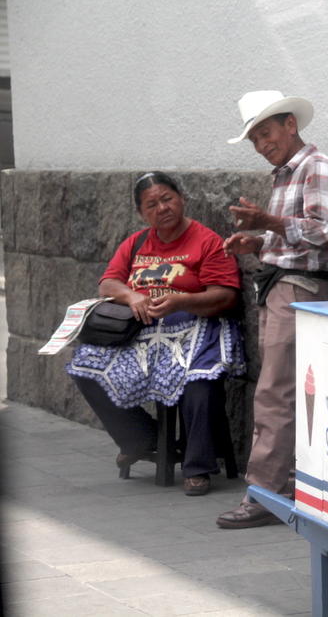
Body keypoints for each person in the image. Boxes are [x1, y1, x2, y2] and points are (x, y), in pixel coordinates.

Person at [67, 171, 245, 497]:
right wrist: (133, 296)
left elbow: (226, 296)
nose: (162, 208)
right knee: (86, 365)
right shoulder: (136, 242)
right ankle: (140, 438)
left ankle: (198, 466)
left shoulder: (207, 242)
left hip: (195, 327)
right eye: (152, 204)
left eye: (167, 199)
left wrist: (182, 300)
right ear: (142, 213)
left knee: (200, 379)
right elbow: (108, 283)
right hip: (142, 332)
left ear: (182, 199)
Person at [217, 90, 328, 529]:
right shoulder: (285, 174)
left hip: (296, 289)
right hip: (279, 286)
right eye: (254, 138)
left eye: (266, 133)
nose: (261, 144)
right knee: (285, 390)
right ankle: (287, 483)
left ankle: (265, 493)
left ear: (291, 124)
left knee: (275, 392)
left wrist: (266, 225)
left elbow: (323, 233)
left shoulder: (317, 167)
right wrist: (257, 242)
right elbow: (292, 236)